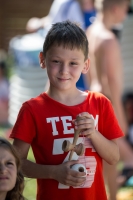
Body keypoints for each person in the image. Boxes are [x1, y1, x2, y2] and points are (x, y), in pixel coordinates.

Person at [9, 21, 124, 200]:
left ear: (86, 65)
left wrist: (93, 133)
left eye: (73, 63)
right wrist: (53, 172)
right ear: (42, 60)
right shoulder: (32, 110)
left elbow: (114, 157)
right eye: (56, 61)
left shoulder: (100, 103)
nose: (64, 71)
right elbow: (16, 163)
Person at [85, 0, 132, 199]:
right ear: (115, 8)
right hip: (108, 104)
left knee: (109, 162)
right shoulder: (109, 39)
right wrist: (120, 118)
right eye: (126, 9)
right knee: (129, 159)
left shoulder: (91, 32)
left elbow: (88, 73)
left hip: (93, 100)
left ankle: (111, 196)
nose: (127, 13)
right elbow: (112, 81)